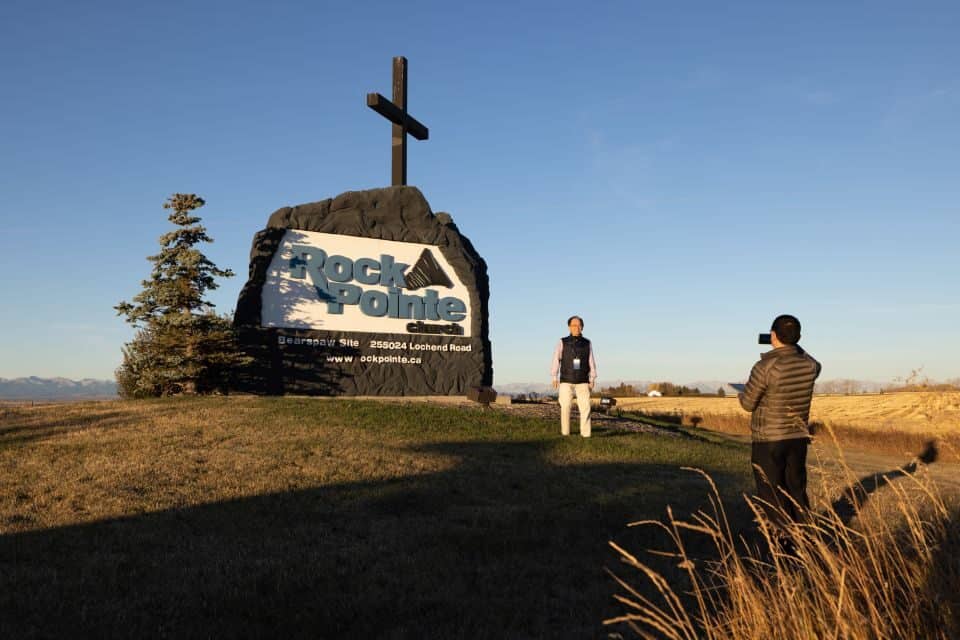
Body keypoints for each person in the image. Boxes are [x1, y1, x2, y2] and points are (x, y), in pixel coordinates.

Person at [738, 314, 821, 528]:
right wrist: (793, 345)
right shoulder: (810, 366)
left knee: (772, 496)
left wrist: (741, 392)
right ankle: (807, 542)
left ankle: (781, 547)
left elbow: (747, 404)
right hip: (798, 438)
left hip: (769, 441)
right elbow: (813, 361)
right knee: (797, 492)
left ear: (773, 335)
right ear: (799, 337)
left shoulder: (765, 367)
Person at [550, 316, 597, 437]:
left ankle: (586, 434)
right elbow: (556, 358)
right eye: (574, 325)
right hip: (566, 380)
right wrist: (554, 376)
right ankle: (565, 433)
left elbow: (591, 361)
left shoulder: (588, 343)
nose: (576, 327)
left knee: (585, 407)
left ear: (582, 327)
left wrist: (592, 378)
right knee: (565, 407)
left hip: (583, 381)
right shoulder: (562, 342)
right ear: (569, 327)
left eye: (578, 325)